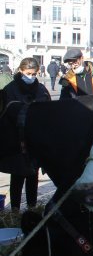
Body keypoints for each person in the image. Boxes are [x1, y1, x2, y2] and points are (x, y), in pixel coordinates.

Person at [0, 57, 51, 212]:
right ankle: (15, 208)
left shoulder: (41, 89)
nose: (31, 77)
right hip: (15, 138)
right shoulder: (10, 89)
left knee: (32, 173)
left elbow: (49, 112)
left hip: (35, 139)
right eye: (28, 73)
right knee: (17, 174)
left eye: (34, 74)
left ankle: (32, 206)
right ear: (21, 71)